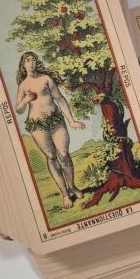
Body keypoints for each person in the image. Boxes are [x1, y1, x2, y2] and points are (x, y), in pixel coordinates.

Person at [15, 51, 85, 209]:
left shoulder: (46, 79)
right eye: (28, 60)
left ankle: (72, 186)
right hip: (37, 125)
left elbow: (60, 99)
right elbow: (18, 109)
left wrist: (72, 121)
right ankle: (65, 194)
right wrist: (26, 99)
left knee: (64, 154)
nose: (31, 63)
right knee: (51, 157)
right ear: (23, 65)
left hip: (56, 121)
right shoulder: (23, 85)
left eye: (33, 60)